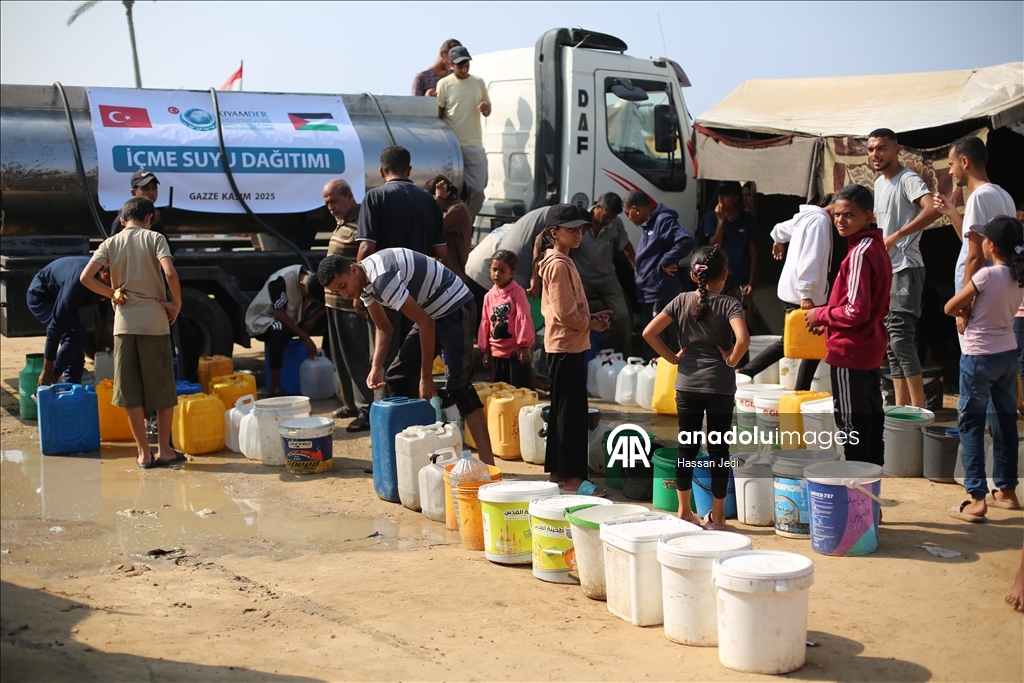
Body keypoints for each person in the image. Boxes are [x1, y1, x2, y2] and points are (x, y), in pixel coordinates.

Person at [317, 249, 496, 465]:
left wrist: (426, 377)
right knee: (396, 378)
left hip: (455, 307)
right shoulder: (363, 283)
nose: (345, 295)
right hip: (431, 313)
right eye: (338, 292)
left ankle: (488, 465)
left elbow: (425, 324)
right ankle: (415, 457)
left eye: (343, 287)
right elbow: (384, 328)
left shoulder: (382, 280)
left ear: (353, 269)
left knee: (459, 386)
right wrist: (376, 367)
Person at [643, 245, 748, 529]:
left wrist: (673, 357)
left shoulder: (680, 301)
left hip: (687, 387)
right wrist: (730, 360)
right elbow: (743, 340)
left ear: (692, 275)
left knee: (686, 449)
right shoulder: (730, 304)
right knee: (718, 451)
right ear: (724, 274)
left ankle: (684, 512)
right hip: (720, 389)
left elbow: (648, 332)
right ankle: (718, 514)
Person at [79, 197, 181, 468]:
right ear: (150, 218)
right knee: (161, 389)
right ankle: (165, 451)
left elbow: (86, 278)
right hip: (155, 324)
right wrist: (176, 304)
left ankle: (143, 454)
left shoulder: (109, 243)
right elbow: (170, 273)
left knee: (130, 391)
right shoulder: (155, 239)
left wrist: (112, 292)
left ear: (122, 220)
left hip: (124, 326)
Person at [804, 185, 891, 468]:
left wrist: (822, 315)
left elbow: (855, 311)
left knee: (853, 430)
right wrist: (830, 317)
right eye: (837, 214)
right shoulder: (876, 246)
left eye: (849, 215)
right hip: (869, 347)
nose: (841, 220)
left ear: (868, 216)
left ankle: (858, 499)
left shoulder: (860, 253)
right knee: (872, 426)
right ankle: (870, 501)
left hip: (850, 352)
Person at [943, 215, 1024, 523]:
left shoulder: (987, 275)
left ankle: (977, 498)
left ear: (991, 245)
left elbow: (950, 307)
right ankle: (1006, 490)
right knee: (1004, 422)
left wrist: (967, 309)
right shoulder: (1019, 275)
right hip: (1007, 354)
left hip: (979, 357)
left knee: (971, 425)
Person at [357, 145, 447, 397]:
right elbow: (440, 252)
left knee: (384, 350)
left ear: (381, 171)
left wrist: (359, 291)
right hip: (419, 289)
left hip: (384, 288)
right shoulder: (429, 201)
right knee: (413, 353)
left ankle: (387, 412)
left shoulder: (375, 197)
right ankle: (413, 412)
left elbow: (366, 246)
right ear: (409, 170)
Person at [536, 204, 611, 496]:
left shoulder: (561, 260)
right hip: (566, 346)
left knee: (563, 412)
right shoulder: (556, 264)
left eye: (580, 229)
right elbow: (566, 314)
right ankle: (573, 481)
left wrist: (591, 320)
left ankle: (558, 473)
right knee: (572, 416)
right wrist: (590, 325)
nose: (578, 234)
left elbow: (567, 310)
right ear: (554, 232)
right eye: (571, 229)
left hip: (566, 344)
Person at [867, 128, 941, 408]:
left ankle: (919, 409)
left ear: (896, 150)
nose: (876, 154)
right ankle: (900, 408)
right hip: (887, 271)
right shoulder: (880, 183)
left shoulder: (908, 178)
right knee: (890, 341)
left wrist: (897, 236)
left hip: (907, 267)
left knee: (900, 338)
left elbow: (932, 209)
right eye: (872, 149)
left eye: (882, 148)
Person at [110, 168, 200, 383]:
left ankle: (185, 386)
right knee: (153, 356)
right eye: (145, 188)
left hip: (158, 295)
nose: (151, 192)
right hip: (140, 300)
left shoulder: (154, 218)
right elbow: (112, 263)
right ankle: (158, 405)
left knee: (184, 341)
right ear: (134, 193)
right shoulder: (123, 222)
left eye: (153, 188)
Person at [739, 197, 833, 388]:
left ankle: (745, 372)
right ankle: (748, 373)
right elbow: (810, 257)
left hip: (791, 291)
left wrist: (778, 240)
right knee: (809, 343)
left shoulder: (806, 217)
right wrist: (806, 293)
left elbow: (780, 229)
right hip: (803, 295)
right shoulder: (820, 220)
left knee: (795, 341)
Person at [934, 135, 1016, 342]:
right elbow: (976, 245)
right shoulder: (1003, 195)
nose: (950, 171)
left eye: (951, 164)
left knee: (976, 362)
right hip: (995, 295)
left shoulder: (979, 197)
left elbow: (975, 256)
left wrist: (964, 302)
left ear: (965, 162)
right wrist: (952, 213)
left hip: (979, 297)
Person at [321, 178, 372, 431]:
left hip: (350, 303)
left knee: (357, 358)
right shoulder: (341, 222)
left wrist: (360, 297)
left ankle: (367, 409)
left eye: (334, 201)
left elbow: (364, 262)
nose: (330, 207)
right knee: (340, 357)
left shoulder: (363, 220)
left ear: (350, 197)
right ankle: (351, 403)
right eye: (327, 203)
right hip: (334, 304)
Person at [625, 189, 695, 358]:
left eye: (628, 213)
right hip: (649, 293)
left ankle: (668, 377)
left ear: (636, 209)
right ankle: (654, 375)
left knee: (662, 341)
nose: (629, 218)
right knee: (650, 340)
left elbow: (686, 240)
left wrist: (666, 260)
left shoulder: (662, 221)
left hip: (660, 292)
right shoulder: (649, 224)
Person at [245, 266, 326, 397]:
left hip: (295, 320)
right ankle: (275, 386)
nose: (310, 300)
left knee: (330, 317)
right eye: (308, 297)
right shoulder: (282, 281)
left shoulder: (315, 280)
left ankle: (330, 369)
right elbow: (279, 313)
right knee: (279, 330)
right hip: (267, 320)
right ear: (301, 285)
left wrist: (313, 320)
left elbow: (329, 303)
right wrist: (305, 337)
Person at [26, 256, 107, 386]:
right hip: (42, 297)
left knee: (75, 351)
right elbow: (54, 329)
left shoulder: (97, 276)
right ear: (106, 276)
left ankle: (71, 393)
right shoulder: (77, 285)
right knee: (76, 336)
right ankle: (48, 383)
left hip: (61, 291)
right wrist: (48, 371)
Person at [436, 45, 491, 218]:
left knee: (478, 190)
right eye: (460, 65)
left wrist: (486, 107)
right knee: (451, 190)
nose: (464, 68)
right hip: (451, 144)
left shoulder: (478, 82)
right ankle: (448, 223)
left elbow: (488, 110)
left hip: (474, 143)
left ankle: (466, 221)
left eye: (466, 64)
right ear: (451, 64)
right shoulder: (444, 83)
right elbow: (439, 114)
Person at [478, 250, 535, 389]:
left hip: (515, 353)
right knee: (500, 392)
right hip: (496, 353)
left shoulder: (517, 292)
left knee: (519, 390)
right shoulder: (488, 296)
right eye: (494, 269)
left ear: (512, 273)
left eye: (502, 271)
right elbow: (486, 322)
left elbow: (523, 317)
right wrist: (486, 350)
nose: (497, 274)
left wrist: (524, 346)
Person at [705, 182, 758, 326]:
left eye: (725, 195)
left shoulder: (747, 220)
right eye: (719, 195)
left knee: (742, 325)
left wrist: (751, 282)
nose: (720, 198)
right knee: (719, 323)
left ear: (735, 198)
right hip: (720, 282)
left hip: (742, 282)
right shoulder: (712, 218)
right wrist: (721, 220)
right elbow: (714, 246)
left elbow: (753, 253)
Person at [425, 175, 473, 283]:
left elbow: (432, 224)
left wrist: (438, 199)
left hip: (451, 275)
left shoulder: (458, 209)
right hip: (444, 274)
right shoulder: (453, 208)